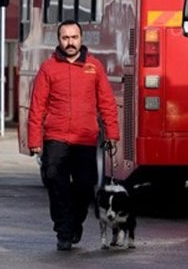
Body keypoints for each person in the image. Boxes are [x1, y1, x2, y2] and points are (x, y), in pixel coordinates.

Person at [28, 19, 120, 251]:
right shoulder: (48, 68)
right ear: (59, 40)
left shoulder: (94, 67)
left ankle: (76, 223)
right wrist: (34, 141)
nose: (70, 42)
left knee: (84, 187)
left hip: (85, 138)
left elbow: (107, 102)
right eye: (65, 38)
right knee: (56, 185)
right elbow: (37, 106)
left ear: (81, 39)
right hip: (56, 138)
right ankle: (63, 231)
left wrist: (112, 133)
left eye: (74, 37)